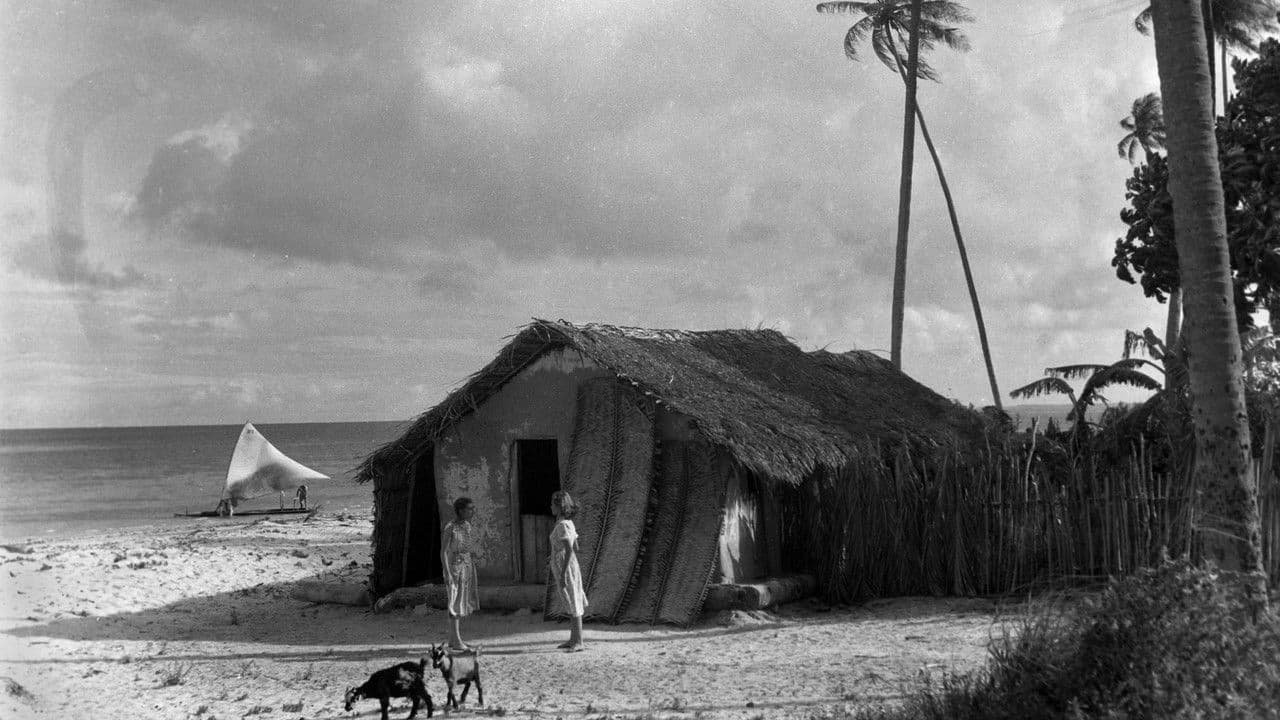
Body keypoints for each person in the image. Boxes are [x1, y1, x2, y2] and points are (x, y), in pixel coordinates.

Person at [549, 490, 587, 652]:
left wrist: (564, 571)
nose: (550, 507)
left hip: (566, 566)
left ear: (559, 506)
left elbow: (570, 549)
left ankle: (579, 641)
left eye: (552, 504)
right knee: (571, 600)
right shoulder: (568, 523)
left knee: (573, 601)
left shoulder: (562, 525)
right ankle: (573, 639)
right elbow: (576, 546)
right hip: (569, 564)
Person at [441, 497, 479, 650]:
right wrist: (448, 573)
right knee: (454, 603)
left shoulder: (467, 526)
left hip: (466, 567)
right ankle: (456, 640)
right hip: (454, 568)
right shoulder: (450, 527)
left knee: (461, 602)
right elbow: (444, 552)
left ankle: (453, 639)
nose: (472, 511)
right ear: (461, 511)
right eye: (469, 509)